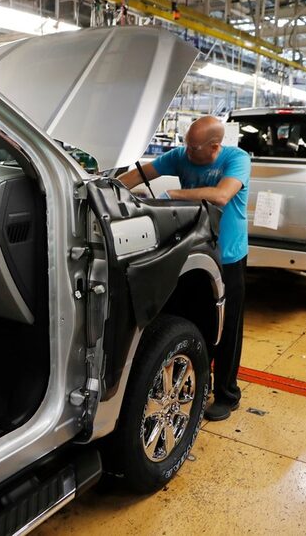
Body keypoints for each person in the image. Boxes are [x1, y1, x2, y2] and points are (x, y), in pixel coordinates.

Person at [118, 116, 250, 421]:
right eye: (186, 144)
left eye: (193, 147)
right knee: (191, 319)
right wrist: (106, 190)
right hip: (194, 252)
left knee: (227, 328)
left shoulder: (237, 159)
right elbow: (135, 177)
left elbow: (221, 195)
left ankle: (228, 395)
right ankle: (200, 380)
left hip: (228, 255)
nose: (186, 152)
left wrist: (171, 195)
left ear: (214, 146)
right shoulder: (182, 155)